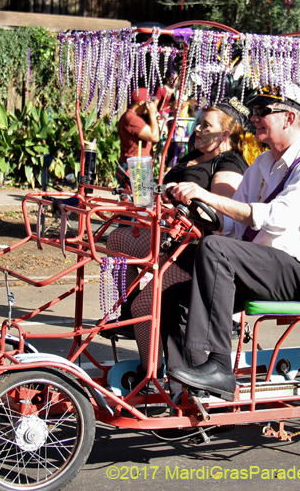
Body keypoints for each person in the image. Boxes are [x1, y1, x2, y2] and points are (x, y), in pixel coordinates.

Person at [162, 83, 300, 401]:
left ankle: (219, 365)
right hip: (260, 264)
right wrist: (192, 210)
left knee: (216, 251)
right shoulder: (261, 164)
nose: (254, 118)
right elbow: (231, 224)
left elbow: (276, 218)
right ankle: (189, 391)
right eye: (254, 112)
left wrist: (207, 195)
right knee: (174, 297)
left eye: (262, 112)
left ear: (288, 118)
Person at [106, 97, 251, 379]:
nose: (196, 129)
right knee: (117, 241)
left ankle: (152, 373)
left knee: (146, 304)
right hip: (169, 234)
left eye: (205, 126)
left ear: (225, 134)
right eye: (197, 124)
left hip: (198, 249)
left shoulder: (229, 161)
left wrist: (184, 200)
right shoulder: (191, 156)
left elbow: (221, 212)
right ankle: (130, 313)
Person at [117, 87, 160, 166]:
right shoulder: (132, 119)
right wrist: (152, 114)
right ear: (141, 103)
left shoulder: (131, 117)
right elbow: (154, 137)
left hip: (137, 164)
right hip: (135, 166)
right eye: (148, 102)